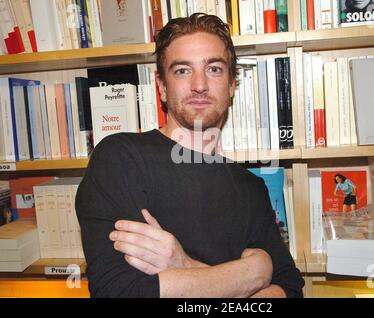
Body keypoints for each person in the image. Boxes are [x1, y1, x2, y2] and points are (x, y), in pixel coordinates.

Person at [75, 13, 304, 298]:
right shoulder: (120, 158)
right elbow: (119, 292)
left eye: (215, 69)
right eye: (183, 70)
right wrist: (254, 273)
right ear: (160, 86)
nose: (199, 84)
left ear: (232, 84)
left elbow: (290, 289)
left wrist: (185, 265)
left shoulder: (251, 187)